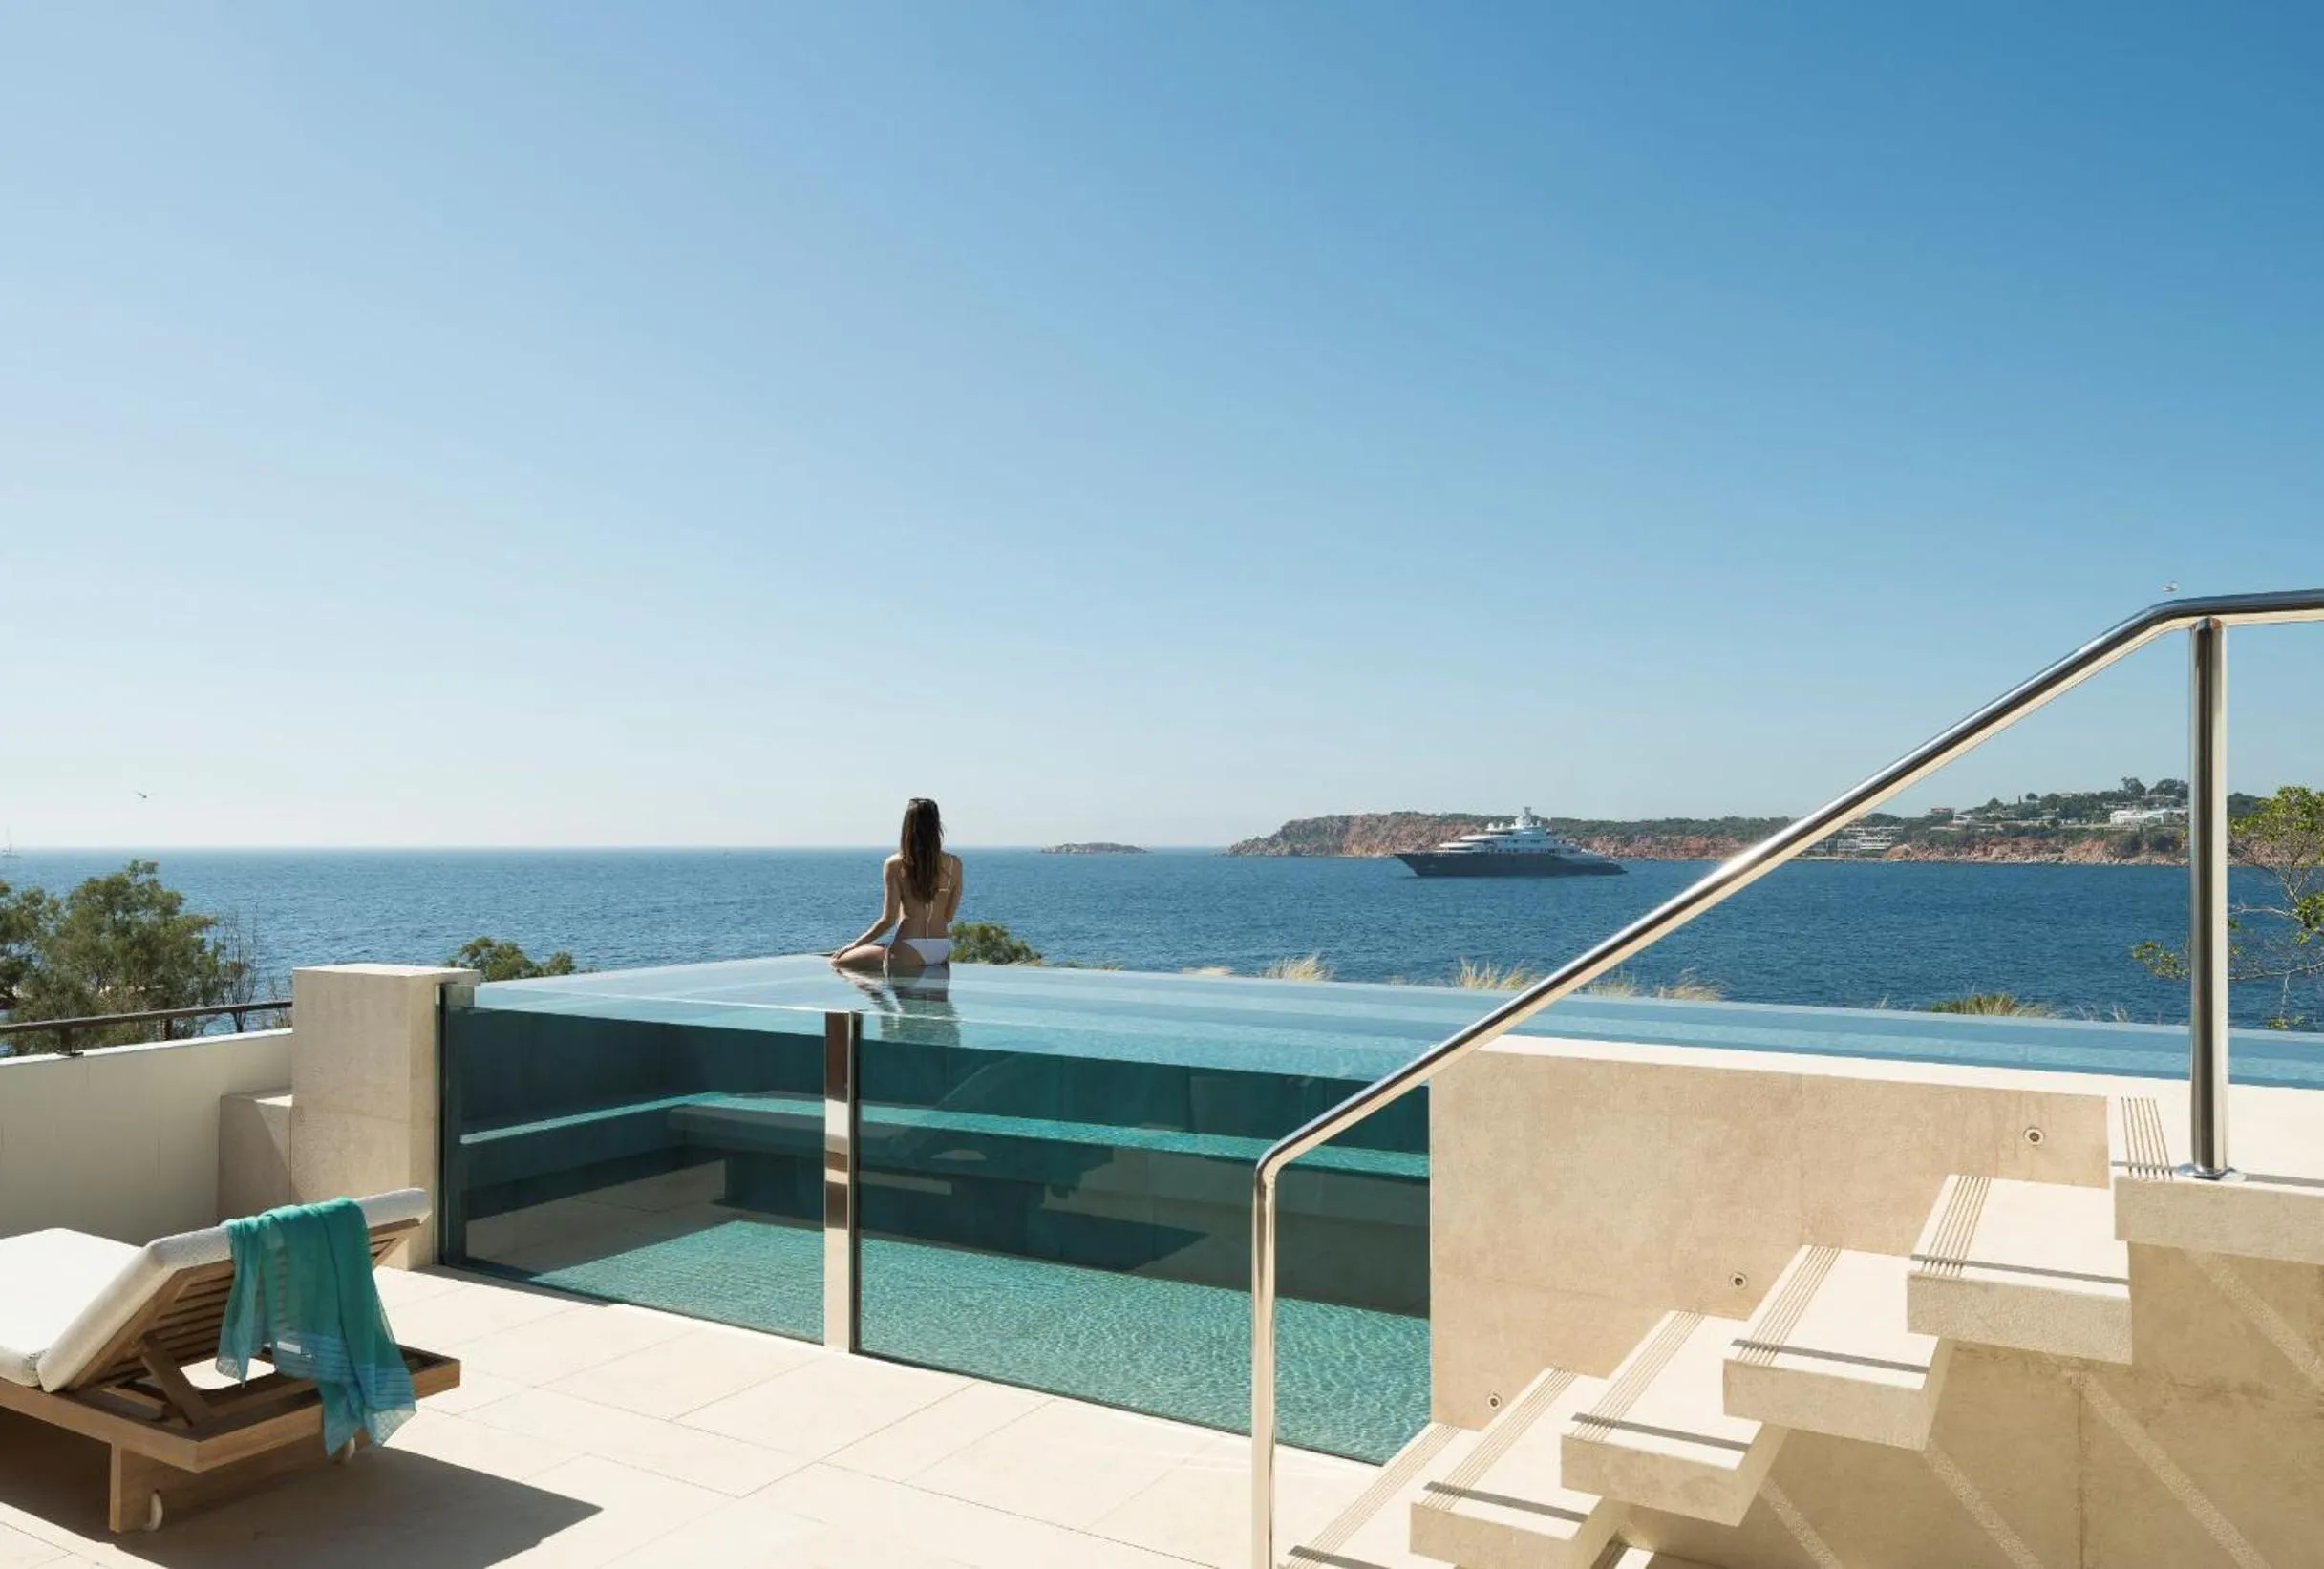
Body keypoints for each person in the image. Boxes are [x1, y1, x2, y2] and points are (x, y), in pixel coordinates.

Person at [831, 797, 963, 975]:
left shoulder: (895, 864)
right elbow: (948, 916)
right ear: (936, 826)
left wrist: (855, 945)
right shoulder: (955, 864)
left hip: (908, 948)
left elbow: (888, 920)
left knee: (837, 962)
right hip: (940, 949)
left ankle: (871, 992)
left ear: (907, 826)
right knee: (932, 1002)